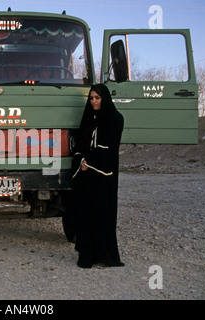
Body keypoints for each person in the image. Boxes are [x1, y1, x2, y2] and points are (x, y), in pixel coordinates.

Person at [71, 84, 125, 268]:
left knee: (103, 214)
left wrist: (88, 161)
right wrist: (80, 161)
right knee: (87, 214)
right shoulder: (88, 119)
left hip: (103, 177)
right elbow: (80, 146)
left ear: (105, 99)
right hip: (87, 176)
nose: (94, 101)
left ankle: (105, 255)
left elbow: (109, 149)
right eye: (91, 98)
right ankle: (88, 255)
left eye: (97, 98)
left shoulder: (115, 119)